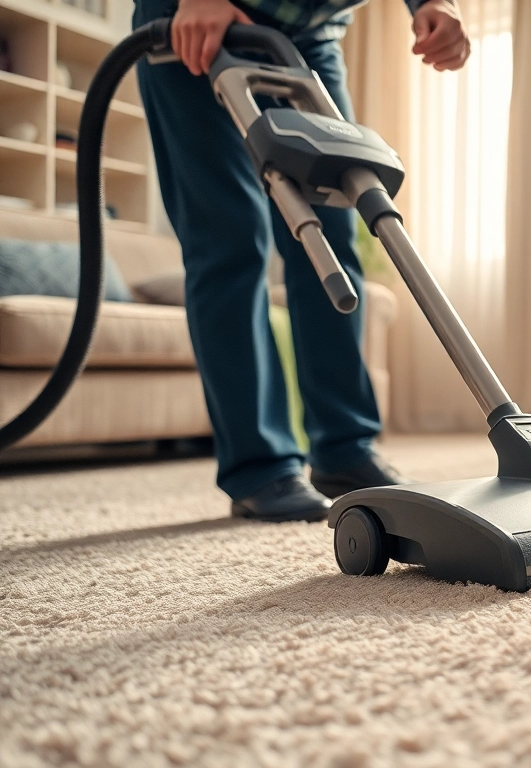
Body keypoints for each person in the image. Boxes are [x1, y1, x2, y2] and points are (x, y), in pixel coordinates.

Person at [133, 0, 470, 521]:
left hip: (308, 37)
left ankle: (345, 450)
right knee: (230, 237)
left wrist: (434, 4)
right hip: (191, 20)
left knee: (332, 229)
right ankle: (260, 466)